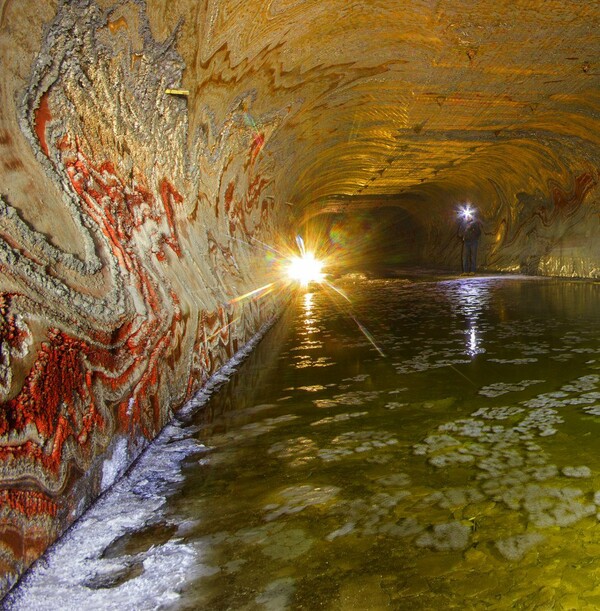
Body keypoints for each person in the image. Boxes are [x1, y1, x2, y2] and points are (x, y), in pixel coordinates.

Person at [457, 210, 482, 274]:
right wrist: (463, 235)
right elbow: (459, 233)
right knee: (465, 257)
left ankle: (472, 271)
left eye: (469, 215)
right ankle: (465, 271)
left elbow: (479, 232)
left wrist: (472, 230)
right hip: (466, 242)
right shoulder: (463, 224)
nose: (468, 217)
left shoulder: (475, 223)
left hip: (474, 242)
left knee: (473, 257)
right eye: (466, 216)